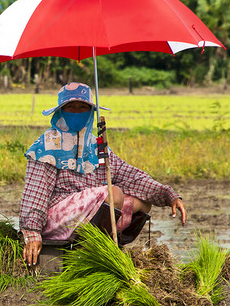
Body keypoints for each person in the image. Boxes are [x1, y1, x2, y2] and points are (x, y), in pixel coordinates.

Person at [20, 82, 187, 266]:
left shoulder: (97, 146)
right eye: (70, 107)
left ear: (91, 112)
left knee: (142, 204)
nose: (77, 112)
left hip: (89, 217)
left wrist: (168, 195)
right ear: (61, 110)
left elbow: (131, 176)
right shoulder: (46, 145)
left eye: (82, 107)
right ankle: (98, 250)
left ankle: (99, 247)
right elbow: (36, 193)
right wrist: (32, 232)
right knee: (114, 194)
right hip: (57, 219)